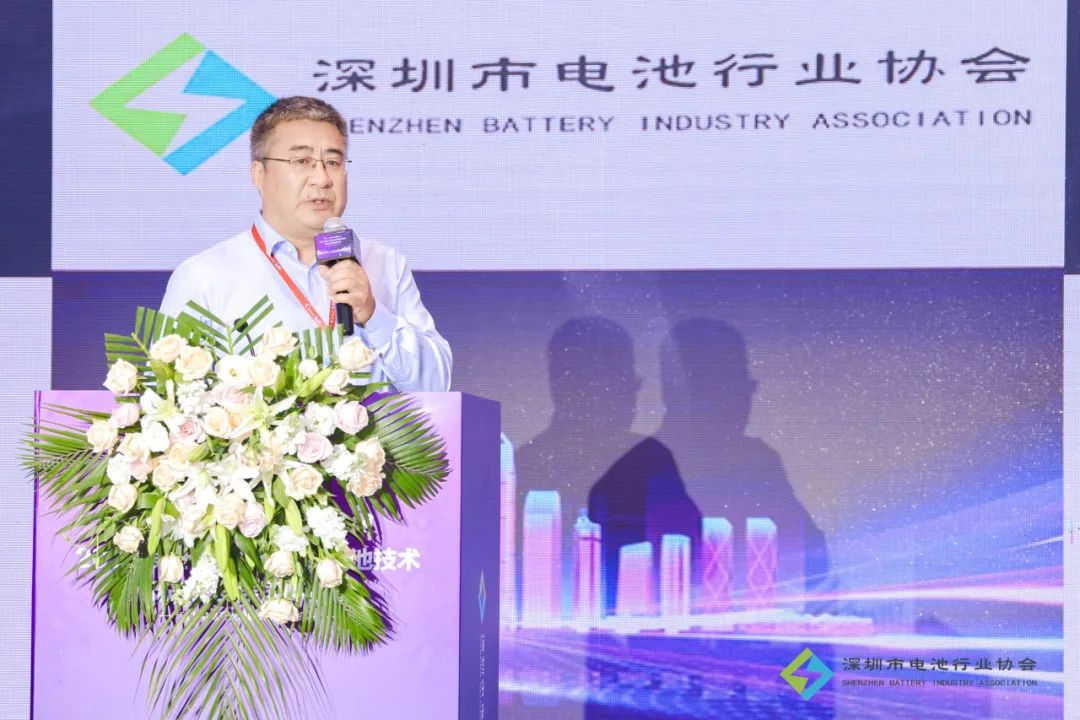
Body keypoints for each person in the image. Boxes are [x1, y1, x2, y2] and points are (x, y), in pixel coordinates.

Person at [160, 96, 451, 392]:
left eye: (333, 162)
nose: (322, 179)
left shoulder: (385, 263)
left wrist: (373, 314)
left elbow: (437, 385)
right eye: (301, 161)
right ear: (259, 174)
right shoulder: (204, 277)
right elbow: (168, 398)